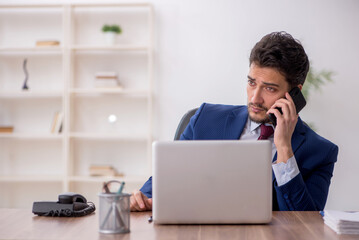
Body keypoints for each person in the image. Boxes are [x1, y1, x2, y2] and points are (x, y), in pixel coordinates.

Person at [130, 31, 338, 212]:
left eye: (269, 88)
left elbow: (304, 223)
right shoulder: (205, 118)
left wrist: (284, 148)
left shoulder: (320, 152)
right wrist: (141, 199)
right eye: (251, 83)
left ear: (294, 93)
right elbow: (166, 179)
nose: (255, 98)